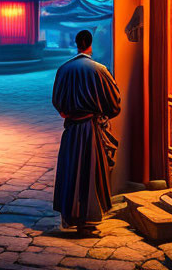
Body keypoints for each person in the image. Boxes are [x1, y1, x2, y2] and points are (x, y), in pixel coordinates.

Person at [52, 28, 121, 235]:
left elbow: (57, 102)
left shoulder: (64, 69)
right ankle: (88, 220)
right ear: (90, 44)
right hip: (91, 131)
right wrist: (102, 114)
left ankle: (71, 215)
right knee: (91, 173)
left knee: (72, 171)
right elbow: (115, 103)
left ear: (76, 43)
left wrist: (68, 112)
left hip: (72, 131)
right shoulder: (99, 69)